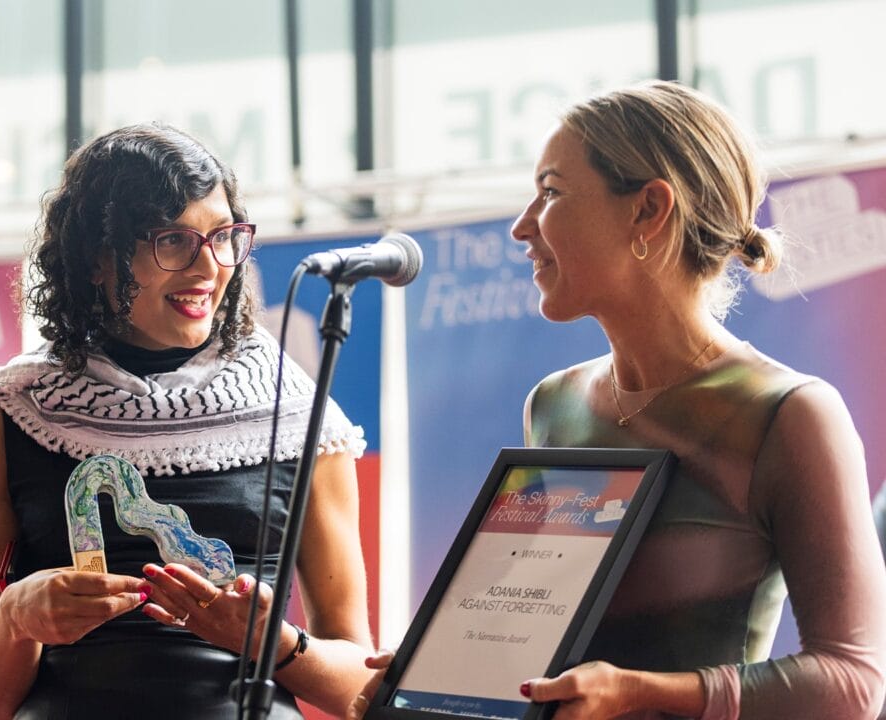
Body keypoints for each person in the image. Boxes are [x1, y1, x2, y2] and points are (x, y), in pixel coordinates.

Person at [348, 81, 886, 720]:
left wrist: (641, 694)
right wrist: (445, 661)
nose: (523, 226)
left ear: (648, 211)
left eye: (550, 192)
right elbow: (539, 629)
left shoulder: (790, 414)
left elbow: (854, 682)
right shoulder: (553, 403)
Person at [0, 123, 375, 720]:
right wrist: (18, 619)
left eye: (224, 237)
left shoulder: (296, 412)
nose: (209, 267)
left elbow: (361, 686)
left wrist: (277, 647)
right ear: (99, 260)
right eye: (174, 241)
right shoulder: (8, 417)